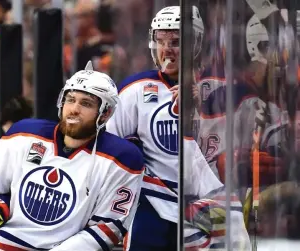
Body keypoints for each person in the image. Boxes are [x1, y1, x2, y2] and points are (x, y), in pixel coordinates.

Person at [0, 62, 145, 251]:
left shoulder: (122, 159)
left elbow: (107, 229)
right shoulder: (24, 135)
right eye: (71, 100)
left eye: (86, 103)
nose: (74, 109)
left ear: (105, 113)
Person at [104, 6, 235, 250]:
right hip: (152, 201)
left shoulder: (219, 89)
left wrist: (198, 111)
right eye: (161, 41)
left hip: (205, 201)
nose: (167, 50)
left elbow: (225, 149)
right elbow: (109, 148)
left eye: (176, 41)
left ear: (195, 43)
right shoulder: (137, 88)